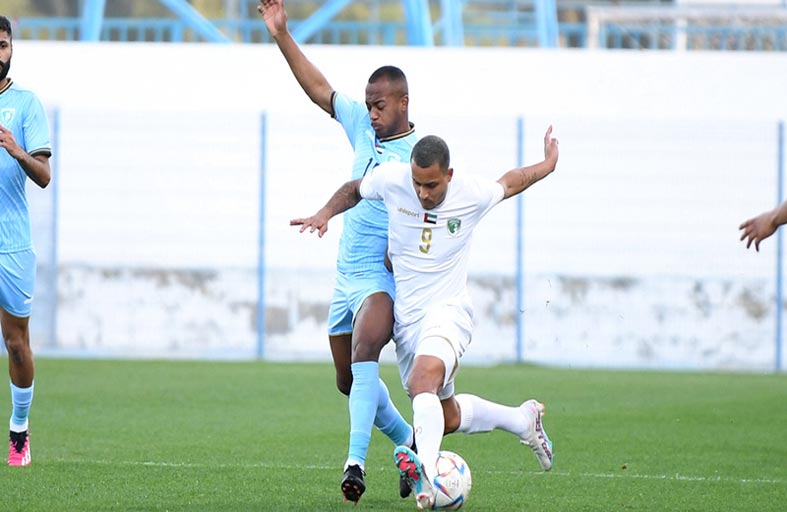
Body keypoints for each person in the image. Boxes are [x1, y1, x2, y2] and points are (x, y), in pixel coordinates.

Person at [292, 126, 559, 509]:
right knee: (445, 416)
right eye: (418, 184)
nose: (423, 193)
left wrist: (548, 164)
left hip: (448, 314)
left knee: (422, 383)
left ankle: (428, 474)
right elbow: (354, 189)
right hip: (409, 324)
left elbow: (512, 181)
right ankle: (522, 420)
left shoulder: (470, 193)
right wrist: (324, 213)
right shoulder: (394, 180)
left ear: (448, 175)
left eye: (432, 185)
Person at [257, 0, 416, 502]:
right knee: (349, 381)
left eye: (380, 105)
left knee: (367, 351)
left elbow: (427, 214)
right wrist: (282, 35)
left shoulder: (418, 158)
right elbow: (319, 89)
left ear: (403, 103)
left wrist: (404, 253)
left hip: (381, 278)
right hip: (346, 275)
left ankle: (355, 465)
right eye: (368, 105)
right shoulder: (363, 128)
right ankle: (408, 439)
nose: (372, 113)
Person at [0, 15, 52, 467]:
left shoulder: (26, 104)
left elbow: (44, 176)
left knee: (16, 344)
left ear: (11, 49)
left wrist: (17, 150)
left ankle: (19, 430)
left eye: (2, 45)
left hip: (12, 244)